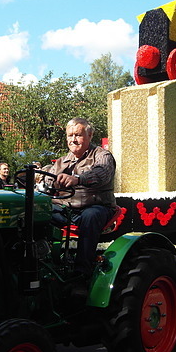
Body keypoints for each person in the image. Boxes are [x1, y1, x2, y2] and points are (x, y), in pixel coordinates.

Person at [47, 117, 117, 275]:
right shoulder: (61, 162)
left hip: (96, 207)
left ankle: (82, 273)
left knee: (90, 216)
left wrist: (77, 179)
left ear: (90, 135)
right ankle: (44, 260)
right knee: (37, 211)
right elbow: (47, 179)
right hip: (65, 210)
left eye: (77, 135)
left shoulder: (102, 156)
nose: (73, 140)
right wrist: (50, 184)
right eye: (69, 136)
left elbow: (101, 174)